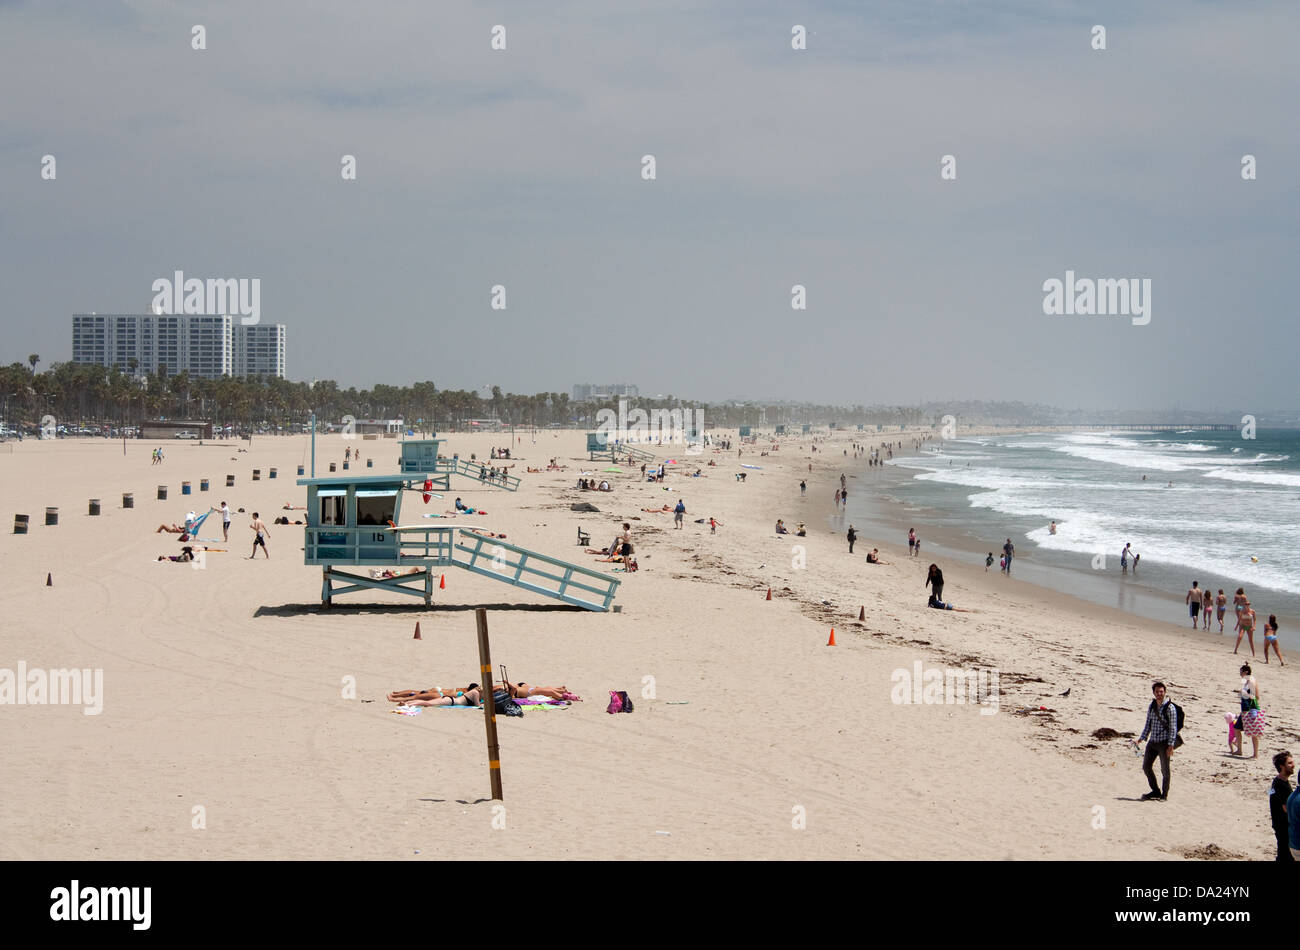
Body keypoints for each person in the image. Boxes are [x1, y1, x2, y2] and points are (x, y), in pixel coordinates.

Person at [1131, 681, 1178, 801]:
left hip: (1164, 743)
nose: (1159, 694)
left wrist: (1170, 745)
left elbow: (1173, 728)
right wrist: (1140, 739)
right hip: (1152, 742)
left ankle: (1164, 795)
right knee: (1146, 767)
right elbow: (1148, 724)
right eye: (1157, 691)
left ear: (1165, 692)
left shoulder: (1170, 708)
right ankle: (1156, 791)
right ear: (1154, 693)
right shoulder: (1152, 705)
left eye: (1161, 691)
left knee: (1165, 770)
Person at [1232, 664, 1264, 759]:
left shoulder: (1251, 681)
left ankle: (1255, 754)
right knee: (1237, 728)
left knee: (1254, 732)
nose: (1240, 674)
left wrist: (1244, 693)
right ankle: (1239, 750)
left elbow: (1256, 697)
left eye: (1241, 672)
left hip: (1251, 710)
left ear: (1245, 672)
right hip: (1244, 710)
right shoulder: (1245, 680)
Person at [1270, 752, 1294, 862]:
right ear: (1282, 766)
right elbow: (1287, 809)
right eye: (1290, 763)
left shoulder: (1277, 781)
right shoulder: (1281, 785)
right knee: (1286, 855)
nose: (1293, 765)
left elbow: (1270, 794)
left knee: (1283, 853)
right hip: (1283, 825)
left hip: (1279, 824)